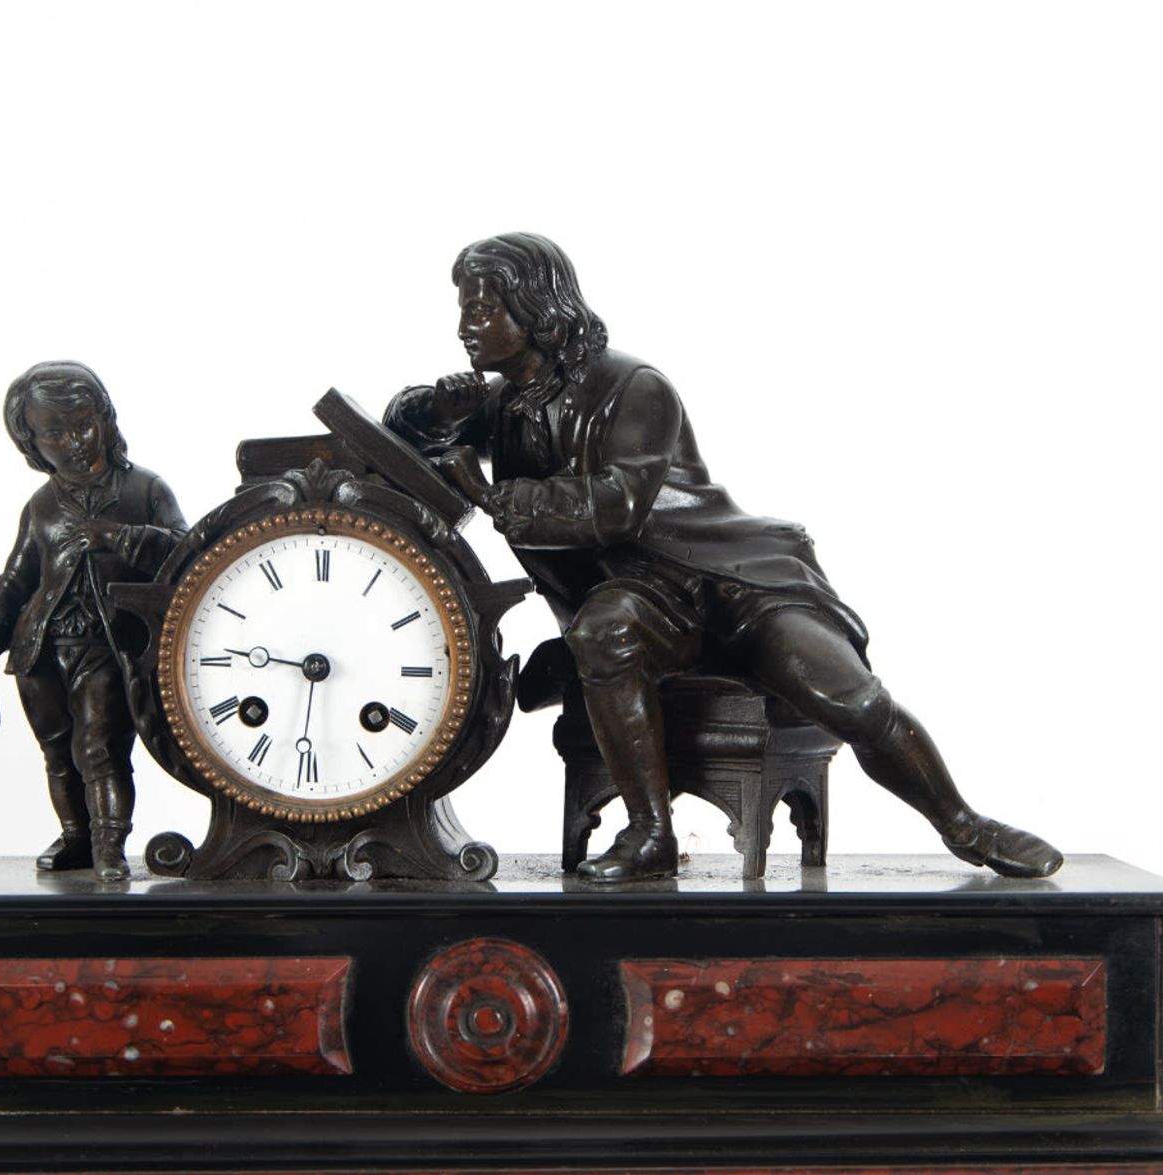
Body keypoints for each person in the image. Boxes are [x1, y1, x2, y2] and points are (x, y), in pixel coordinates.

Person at [385, 234, 1061, 883]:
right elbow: (400, 434)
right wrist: (436, 407)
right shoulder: (503, 404)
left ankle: (964, 824)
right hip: (644, 598)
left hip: (730, 584)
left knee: (848, 700)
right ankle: (650, 835)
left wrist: (500, 498)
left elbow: (617, 504)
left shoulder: (635, 387)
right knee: (602, 628)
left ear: (533, 308)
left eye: (480, 306)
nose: (464, 325)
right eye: (464, 308)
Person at [0, 361, 185, 881]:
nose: (74, 442)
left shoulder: (144, 489)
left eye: (83, 425)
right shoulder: (42, 506)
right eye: (54, 433)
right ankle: (76, 836)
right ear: (31, 442)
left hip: (110, 644)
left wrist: (121, 538)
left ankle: (109, 846)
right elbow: (14, 581)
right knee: (58, 752)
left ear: (105, 417)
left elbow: (189, 559)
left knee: (100, 747)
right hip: (40, 649)